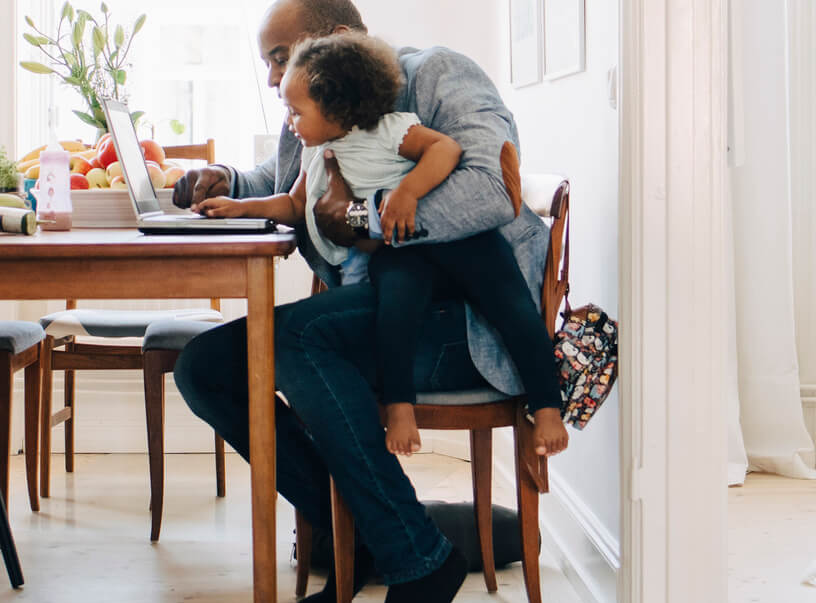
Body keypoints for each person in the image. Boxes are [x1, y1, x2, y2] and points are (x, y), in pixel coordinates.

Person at [169, 0, 557, 603]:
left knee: (294, 340)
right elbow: (290, 176)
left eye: (280, 57)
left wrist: (358, 219)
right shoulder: (320, 107)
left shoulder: (437, 75)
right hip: (383, 308)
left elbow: (490, 183)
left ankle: (413, 557)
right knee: (205, 366)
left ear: (338, 41)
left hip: (456, 325)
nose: (269, 78)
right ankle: (368, 536)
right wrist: (222, 177)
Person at [197, 32, 569, 460]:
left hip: (460, 243)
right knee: (395, 308)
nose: (288, 123)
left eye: (295, 111)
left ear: (335, 106)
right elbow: (295, 203)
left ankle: (546, 405)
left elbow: (445, 149)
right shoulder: (316, 152)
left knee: (510, 301)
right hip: (399, 250)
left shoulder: (388, 129)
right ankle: (400, 406)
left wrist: (407, 192)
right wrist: (239, 207)